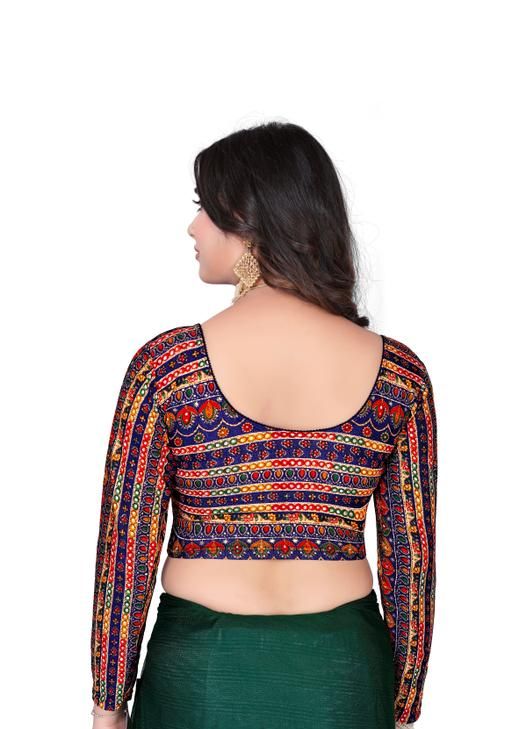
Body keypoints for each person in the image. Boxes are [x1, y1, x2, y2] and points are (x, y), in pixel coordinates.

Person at [90, 121, 437, 729]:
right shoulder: (399, 377)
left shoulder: (168, 370)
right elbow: (411, 560)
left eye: (204, 208)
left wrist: (108, 702)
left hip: (202, 674)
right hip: (342, 678)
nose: (193, 227)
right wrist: (402, 704)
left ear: (246, 219)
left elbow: (127, 550)